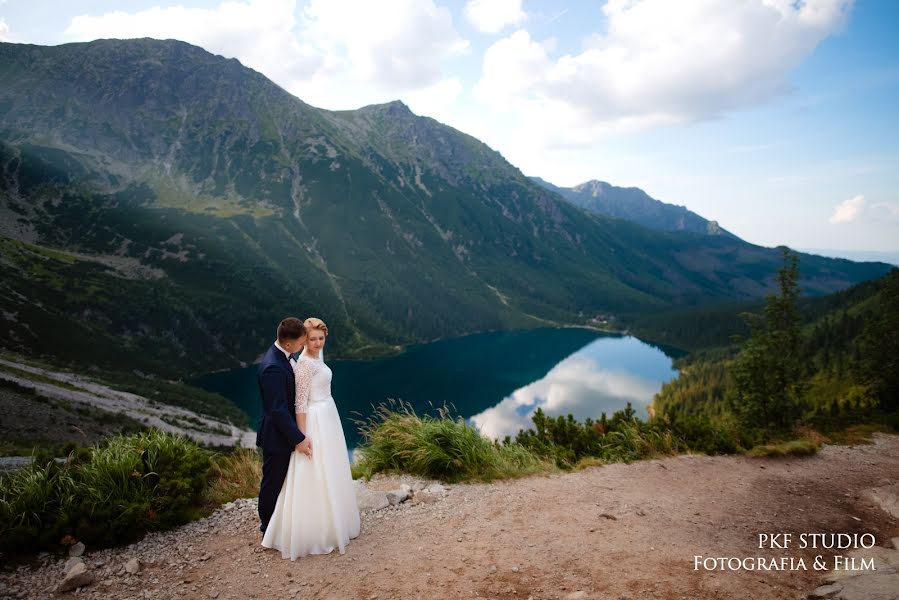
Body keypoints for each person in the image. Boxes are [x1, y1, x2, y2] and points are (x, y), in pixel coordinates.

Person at [262, 317, 360, 559]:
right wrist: (302, 436)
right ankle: (293, 527)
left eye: (320, 338)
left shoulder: (306, 357)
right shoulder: (298, 364)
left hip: (327, 416)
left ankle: (334, 517)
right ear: (298, 341)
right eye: (310, 339)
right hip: (312, 420)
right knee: (304, 472)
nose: (316, 343)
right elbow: (297, 402)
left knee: (329, 467)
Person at [256, 317, 312, 534]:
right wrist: (298, 438)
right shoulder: (273, 368)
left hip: (283, 433)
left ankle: (281, 522)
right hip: (276, 437)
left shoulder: (284, 356)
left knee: (283, 480)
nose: (303, 346)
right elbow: (277, 410)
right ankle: (267, 527)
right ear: (288, 344)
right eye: (301, 343)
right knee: (272, 482)